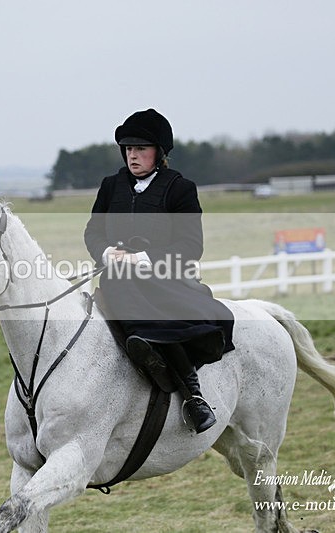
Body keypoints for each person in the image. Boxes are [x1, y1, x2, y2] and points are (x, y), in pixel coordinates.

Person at [84, 108, 235, 434]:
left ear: (159, 153)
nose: (132, 155)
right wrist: (107, 251)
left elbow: (191, 246)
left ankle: (193, 396)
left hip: (165, 277)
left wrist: (141, 259)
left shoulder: (179, 189)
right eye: (128, 149)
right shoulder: (111, 187)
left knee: (144, 303)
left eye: (141, 149)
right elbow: (93, 232)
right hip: (116, 278)